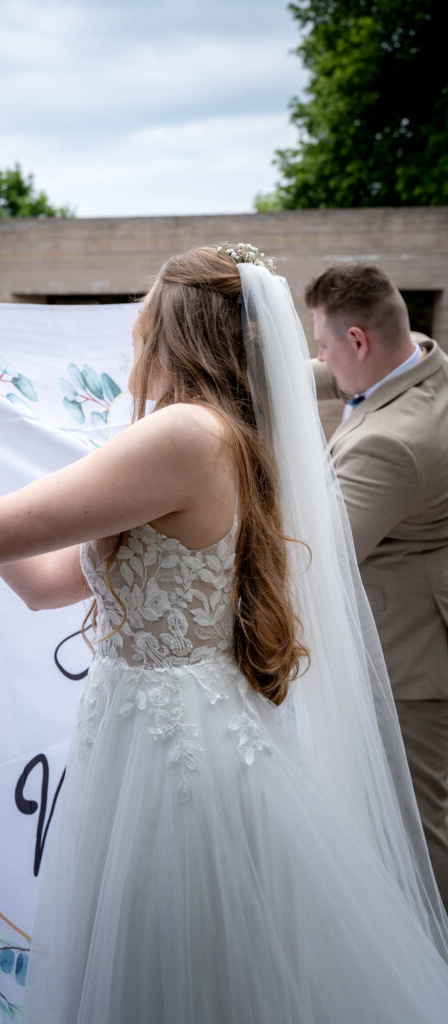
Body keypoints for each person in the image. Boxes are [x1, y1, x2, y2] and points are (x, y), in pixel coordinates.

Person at [0, 244, 448, 1023]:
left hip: (175, 764)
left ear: (171, 330)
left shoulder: (181, 436)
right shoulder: (218, 436)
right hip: (159, 738)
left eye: (139, 322)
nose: (131, 340)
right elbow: (42, 583)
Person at [305, 262, 448, 905]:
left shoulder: (391, 443)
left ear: (358, 341)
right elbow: (347, 384)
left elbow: (314, 556)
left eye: (323, 344)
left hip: (410, 658)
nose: (318, 356)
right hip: (428, 611)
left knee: (421, 832)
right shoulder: (425, 358)